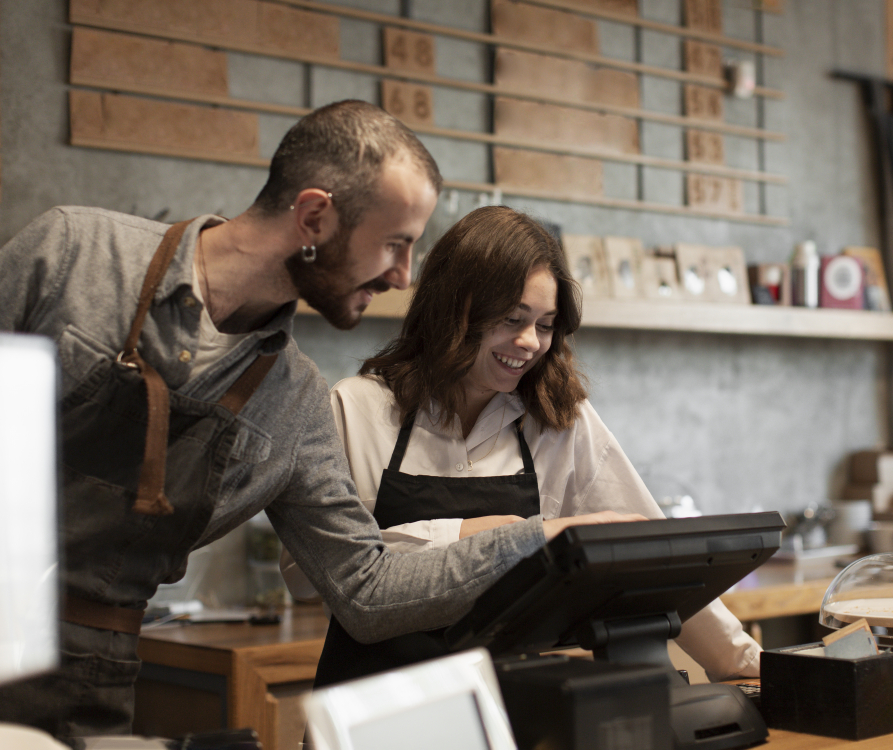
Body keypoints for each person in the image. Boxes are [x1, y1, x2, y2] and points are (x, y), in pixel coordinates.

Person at [0, 101, 637, 747]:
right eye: (395, 244)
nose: (403, 276)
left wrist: (539, 539)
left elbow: (365, 588)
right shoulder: (74, 254)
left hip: (91, 676)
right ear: (313, 217)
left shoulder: (294, 399)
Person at [282, 206, 761, 687]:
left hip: (510, 711)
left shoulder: (558, 419)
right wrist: (487, 534)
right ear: (455, 309)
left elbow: (655, 557)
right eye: (513, 318)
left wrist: (743, 661)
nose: (530, 342)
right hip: (373, 710)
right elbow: (308, 577)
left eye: (547, 324)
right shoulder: (356, 408)